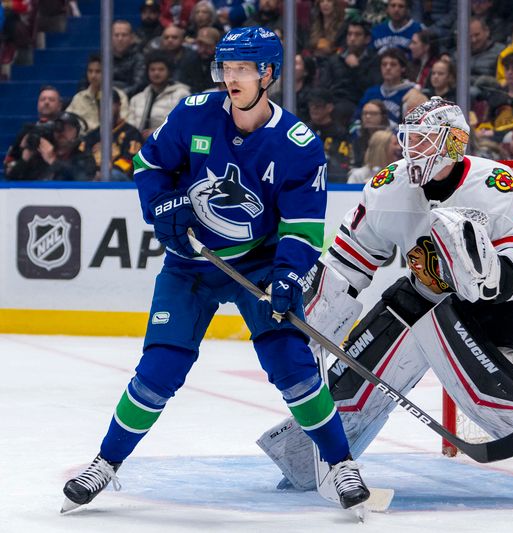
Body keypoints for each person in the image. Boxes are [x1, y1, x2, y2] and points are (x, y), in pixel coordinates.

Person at [61, 26, 370, 513]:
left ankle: (339, 464)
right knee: (159, 370)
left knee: (292, 366)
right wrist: (162, 206)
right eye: (225, 68)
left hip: (260, 266)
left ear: (268, 73)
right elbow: (149, 166)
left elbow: (302, 227)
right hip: (191, 266)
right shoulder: (194, 113)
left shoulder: (298, 144)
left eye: (243, 69)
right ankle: (105, 463)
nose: (231, 78)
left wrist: (288, 276)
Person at [257, 97, 513, 506]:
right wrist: (313, 313)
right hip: (424, 294)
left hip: (496, 309)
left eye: (425, 140)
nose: (413, 151)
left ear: (454, 143)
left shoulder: (494, 184)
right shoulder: (389, 186)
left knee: (492, 388)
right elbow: (349, 260)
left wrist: (489, 277)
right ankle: (306, 454)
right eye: (410, 140)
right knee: (357, 371)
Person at [6, 112, 97, 182]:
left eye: (68, 128)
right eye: (58, 127)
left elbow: (83, 178)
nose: (62, 132)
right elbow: (11, 180)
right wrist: (25, 158)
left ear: (76, 133)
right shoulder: (39, 155)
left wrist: (53, 160)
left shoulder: (84, 157)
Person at [81, 90, 144, 181]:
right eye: (101, 106)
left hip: (122, 180)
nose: (105, 110)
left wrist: (108, 170)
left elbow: (130, 160)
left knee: (112, 175)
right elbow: (82, 159)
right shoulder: (91, 136)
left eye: (109, 105)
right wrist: (94, 172)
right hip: (93, 178)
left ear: (119, 105)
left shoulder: (132, 133)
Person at [128, 51, 192, 139]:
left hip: (168, 144)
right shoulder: (137, 98)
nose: (156, 73)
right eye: (152, 70)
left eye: (161, 69)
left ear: (169, 72)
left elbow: (184, 124)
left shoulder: (182, 95)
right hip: (139, 147)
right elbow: (130, 127)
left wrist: (157, 132)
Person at [67, 54, 130, 133]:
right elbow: (69, 124)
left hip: (112, 139)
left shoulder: (119, 96)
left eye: (98, 71)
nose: (93, 76)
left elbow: (124, 123)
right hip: (84, 142)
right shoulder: (78, 98)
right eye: (90, 71)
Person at [307, 88, 352, 183]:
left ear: (329, 107)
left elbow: (341, 161)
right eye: (311, 105)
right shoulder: (303, 129)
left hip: (331, 177)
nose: (314, 109)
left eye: (318, 106)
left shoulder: (340, 132)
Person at [112, 20, 148, 97]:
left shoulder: (140, 59)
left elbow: (139, 86)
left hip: (130, 102)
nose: (120, 39)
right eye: (116, 35)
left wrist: (117, 97)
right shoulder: (102, 58)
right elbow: (85, 83)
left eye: (124, 35)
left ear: (131, 38)